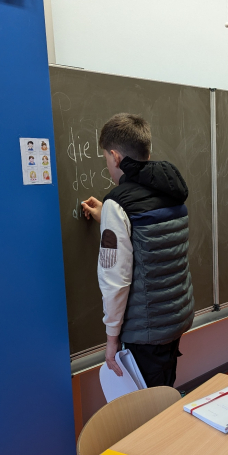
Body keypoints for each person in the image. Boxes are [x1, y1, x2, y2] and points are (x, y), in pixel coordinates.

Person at [82, 113, 194, 387]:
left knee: (148, 404)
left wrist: (111, 339)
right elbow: (148, 236)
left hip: (145, 329)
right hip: (176, 316)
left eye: (106, 159)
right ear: (147, 153)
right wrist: (107, 218)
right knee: (164, 388)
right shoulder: (170, 189)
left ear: (115, 157)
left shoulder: (118, 204)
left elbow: (115, 280)